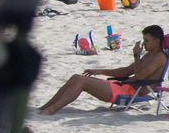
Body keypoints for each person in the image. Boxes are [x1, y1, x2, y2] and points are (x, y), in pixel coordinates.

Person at [37, 25, 168, 114]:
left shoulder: (159, 57)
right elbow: (125, 71)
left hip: (133, 93)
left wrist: (136, 55)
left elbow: (139, 76)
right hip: (125, 87)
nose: (143, 44)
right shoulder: (149, 55)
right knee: (76, 77)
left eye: (146, 40)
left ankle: (50, 111)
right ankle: (45, 107)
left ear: (156, 41)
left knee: (81, 82)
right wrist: (99, 71)